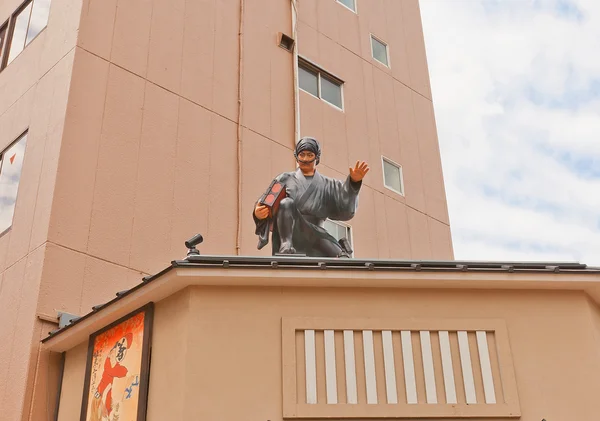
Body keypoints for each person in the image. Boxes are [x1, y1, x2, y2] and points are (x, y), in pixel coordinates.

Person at [253, 137, 369, 257]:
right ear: (296, 156)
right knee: (286, 203)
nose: (305, 159)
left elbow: (345, 207)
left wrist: (353, 183)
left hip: (316, 233)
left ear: (317, 157)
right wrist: (259, 213)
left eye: (310, 155)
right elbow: (266, 201)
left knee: (341, 257)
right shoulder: (285, 178)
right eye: (302, 155)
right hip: (290, 231)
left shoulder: (328, 184)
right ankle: (286, 245)